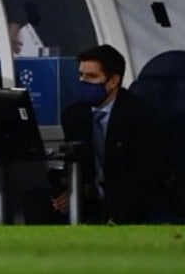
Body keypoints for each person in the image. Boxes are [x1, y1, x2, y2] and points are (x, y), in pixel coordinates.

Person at [51, 44, 169, 224]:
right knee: (38, 203)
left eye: (92, 76)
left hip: (129, 197)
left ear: (113, 81)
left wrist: (94, 192)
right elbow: (75, 164)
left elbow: (144, 174)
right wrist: (70, 191)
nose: (84, 82)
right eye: (81, 75)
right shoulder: (73, 115)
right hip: (88, 195)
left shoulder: (140, 115)